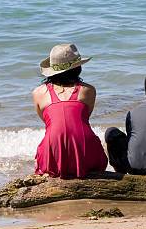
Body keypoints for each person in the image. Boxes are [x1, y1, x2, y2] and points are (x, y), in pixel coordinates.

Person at [33, 43, 108, 179]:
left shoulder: (38, 92)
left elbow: (48, 122)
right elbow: (84, 119)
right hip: (85, 150)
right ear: (77, 68)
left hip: (53, 151)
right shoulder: (88, 90)